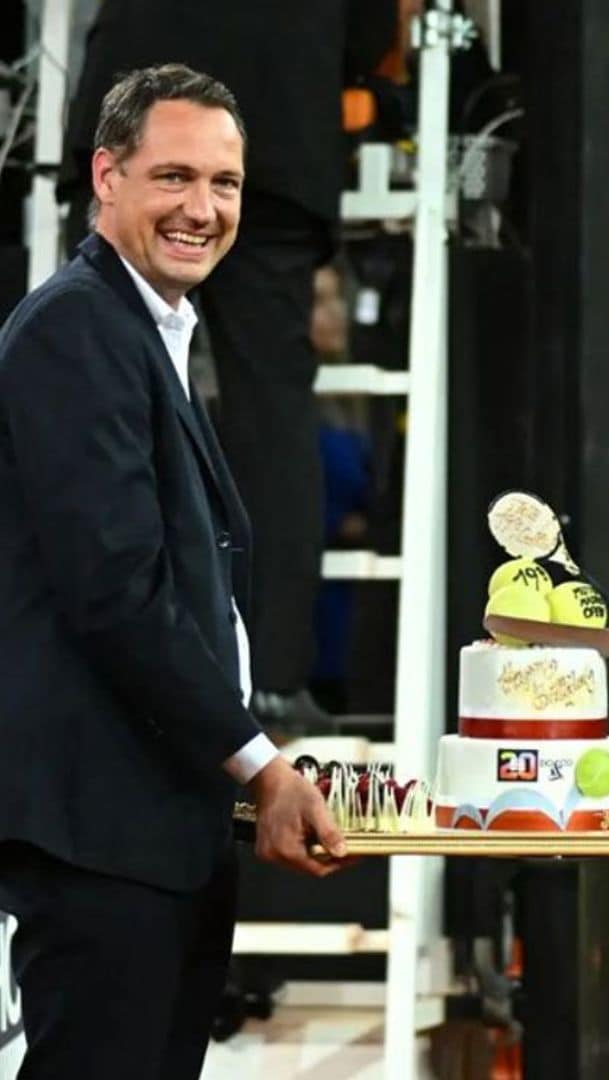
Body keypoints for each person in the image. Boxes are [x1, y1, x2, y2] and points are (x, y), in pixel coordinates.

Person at [0, 65, 347, 1080]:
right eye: (173, 177)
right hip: (102, 840)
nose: (203, 209)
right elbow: (117, 596)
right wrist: (259, 761)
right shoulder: (71, 331)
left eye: (226, 184)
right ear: (105, 177)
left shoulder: (144, 333)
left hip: (159, 828)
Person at [57, 1, 398, 727]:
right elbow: (372, 33)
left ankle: (82, 648)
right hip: (276, 122)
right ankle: (272, 677)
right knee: (272, 410)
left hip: (134, 114)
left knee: (93, 378)